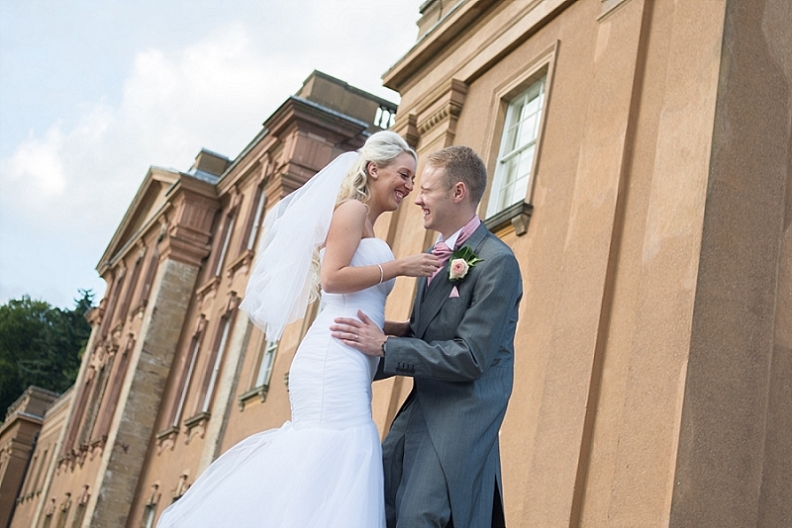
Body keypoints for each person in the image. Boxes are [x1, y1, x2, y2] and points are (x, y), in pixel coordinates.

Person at [156, 131, 440, 528]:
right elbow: (332, 279)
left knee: (338, 458)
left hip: (349, 356)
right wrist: (400, 266)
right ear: (374, 169)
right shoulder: (352, 211)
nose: (409, 187)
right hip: (331, 359)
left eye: (412, 179)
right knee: (343, 449)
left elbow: (363, 308)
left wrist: (403, 328)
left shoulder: (368, 224)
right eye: (403, 175)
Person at [331, 146, 522, 528]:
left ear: (458, 192)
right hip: (418, 414)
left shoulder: (497, 262)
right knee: (375, 509)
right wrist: (345, 353)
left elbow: (470, 356)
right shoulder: (434, 256)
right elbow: (424, 336)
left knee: (420, 518)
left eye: (427, 190)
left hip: (458, 422)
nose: (417, 198)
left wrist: (385, 346)